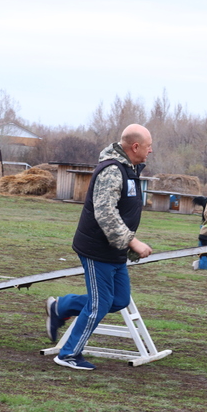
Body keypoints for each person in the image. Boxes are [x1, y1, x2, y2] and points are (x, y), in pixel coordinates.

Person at [45, 124, 153, 370]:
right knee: (99, 304)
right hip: (97, 249)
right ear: (135, 146)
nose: (151, 150)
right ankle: (68, 354)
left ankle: (61, 307)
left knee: (119, 299)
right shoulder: (112, 171)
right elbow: (106, 214)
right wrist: (133, 242)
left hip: (114, 250)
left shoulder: (129, 169)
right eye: (148, 146)